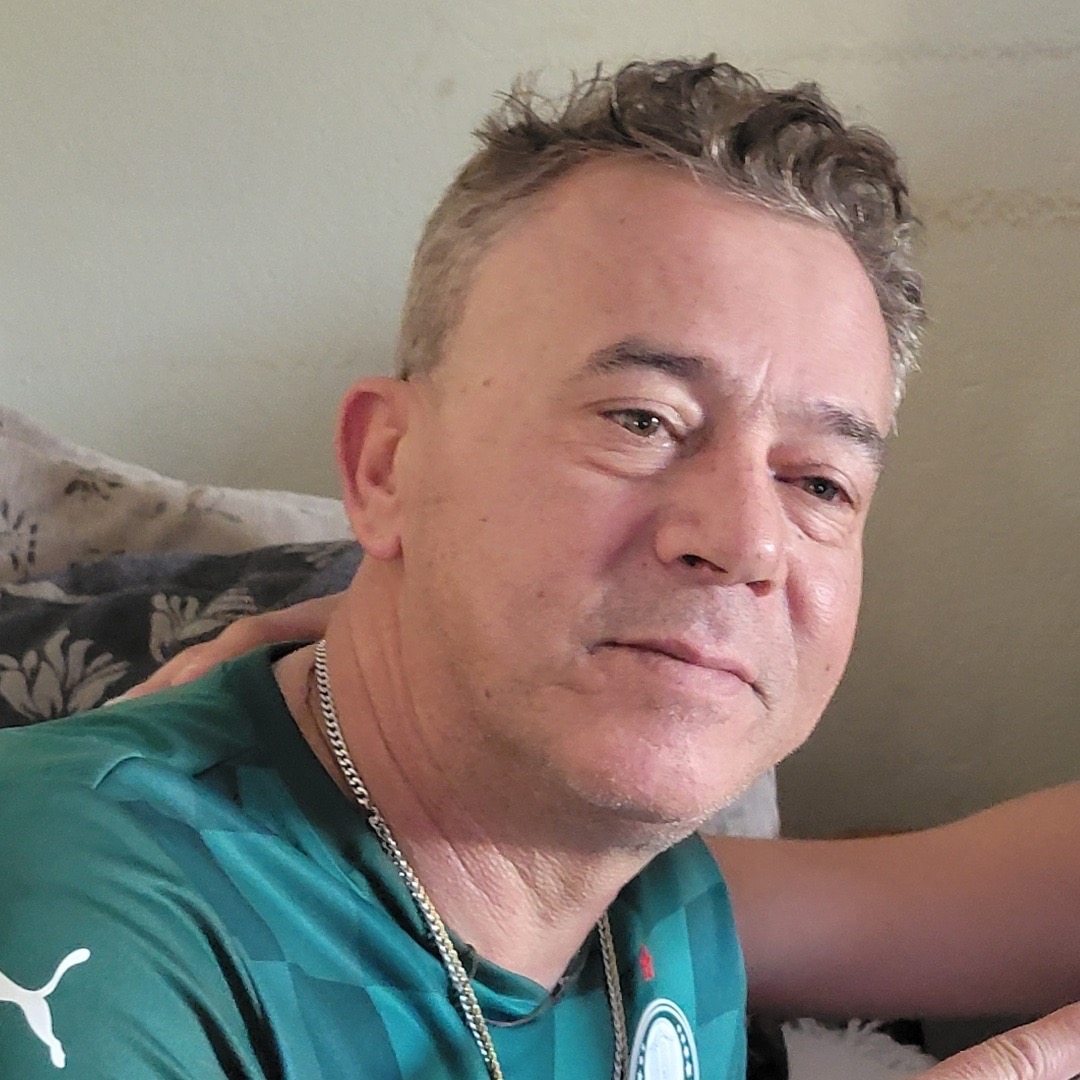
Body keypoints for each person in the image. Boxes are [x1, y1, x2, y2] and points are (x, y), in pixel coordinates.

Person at [2, 55, 1077, 1080]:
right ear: (388, 468)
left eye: (821, 483)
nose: (748, 541)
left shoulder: (665, 907)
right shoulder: (88, 908)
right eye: (642, 419)